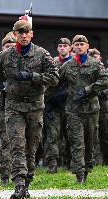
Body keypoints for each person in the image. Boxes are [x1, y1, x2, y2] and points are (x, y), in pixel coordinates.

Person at [0, 20, 59, 199]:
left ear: (31, 34)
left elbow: (54, 78)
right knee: (17, 146)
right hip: (13, 106)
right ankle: (19, 184)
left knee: (31, 148)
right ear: (14, 35)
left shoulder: (42, 54)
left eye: (26, 32)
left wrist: (33, 76)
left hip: (35, 106)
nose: (23, 35)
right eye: (19, 32)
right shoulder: (5, 56)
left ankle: (27, 182)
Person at [59, 35, 108, 183]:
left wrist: (88, 90)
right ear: (73, 47)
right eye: (77, 44)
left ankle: (87, 168)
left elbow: (105, 80)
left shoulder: (95, 64)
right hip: (73, 110)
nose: (79, 47)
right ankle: (79, 173)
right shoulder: (67, 66)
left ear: (87, 46)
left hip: (91, 110)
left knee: (89, 142)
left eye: (82, 44)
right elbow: (55, 81)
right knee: (77, 142)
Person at [44, 37, 72, 173]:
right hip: (53, 106)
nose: (62, 48)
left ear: (69, 48)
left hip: (69, 106)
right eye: (60, 46)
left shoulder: (73, 63)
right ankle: (52, 165)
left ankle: (70, 163)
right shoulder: (52, 63)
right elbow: (47, 83)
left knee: (70, 136)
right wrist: (48, 101)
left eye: (65, 46)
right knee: (52, 136)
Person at [0, 35, 16, 185]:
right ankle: (4, 175)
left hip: (19, 107)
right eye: (6, 46)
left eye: (12, 46)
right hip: (2, 107)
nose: (9, 48)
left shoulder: (20, 62)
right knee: (4, 141)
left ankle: (19, 173)